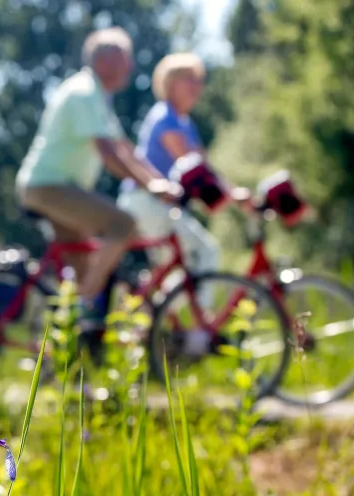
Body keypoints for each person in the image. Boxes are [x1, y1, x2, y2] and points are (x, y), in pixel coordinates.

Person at [15, 27, 180, 331]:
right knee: (124, 224)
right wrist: (151, 186)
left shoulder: (97, 96)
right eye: (125, 59)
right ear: (104, 61)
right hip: (48, 187)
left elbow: (125, 149)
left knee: (82, 267)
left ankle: (74, 339)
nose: (130, 66)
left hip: (59, 188)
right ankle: (83, 305)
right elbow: (109, 154)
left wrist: (161, 183)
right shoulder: (84, 93)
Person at [116, 52, 221, 356]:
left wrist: (234, 194)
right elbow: (191, 163)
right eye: (192, 80)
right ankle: (198, 334)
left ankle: (144, 319)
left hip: (155, 205)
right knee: (206, 251)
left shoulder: (184, 121)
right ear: (172, 84)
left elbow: (205, 166)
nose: (198, 87)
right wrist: (229, 197)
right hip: (146, 202)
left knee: (176, 268)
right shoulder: (166, 118)